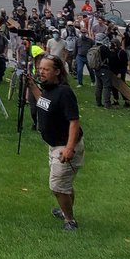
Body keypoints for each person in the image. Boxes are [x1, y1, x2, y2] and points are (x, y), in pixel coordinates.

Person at [26, 53, 83, 231]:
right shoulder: (49, 89)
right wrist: (32, 85)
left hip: (64, 146)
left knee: (57, 186)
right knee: (63, 184)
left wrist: (69, 148)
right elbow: (44, 103)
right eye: (40, 68)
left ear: (57, 71)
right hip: (54, 145)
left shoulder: (64, 92)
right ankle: (65, 209)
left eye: (46, 69)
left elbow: (74, 121)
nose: (41, 72)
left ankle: (70, 220)